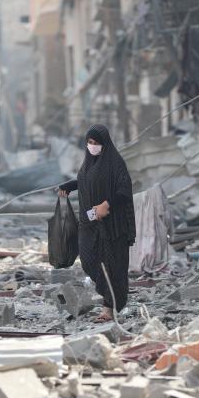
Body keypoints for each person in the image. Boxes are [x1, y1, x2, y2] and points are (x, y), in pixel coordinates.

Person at [58, 124, 136, 322]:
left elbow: (124, 190)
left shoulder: (115, 163)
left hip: (111, 226)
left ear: (105, 144)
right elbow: (87, 182)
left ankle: (108, 309)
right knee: (89, 260)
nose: (92, 146)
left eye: (96, 143)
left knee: (111, 265)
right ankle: (108, 299)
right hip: (89, 224)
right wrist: (70, 186)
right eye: (90, 142)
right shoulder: (89, 164)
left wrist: (106, 204)